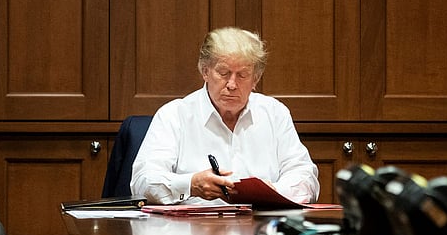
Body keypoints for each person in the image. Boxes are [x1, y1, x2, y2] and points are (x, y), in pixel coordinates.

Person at [130, 26, 320, 205]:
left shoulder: (274, 113)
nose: (231, 84)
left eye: (242, 75)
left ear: (256, 79)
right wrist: (191, 184)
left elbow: (306, 177)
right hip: (192, 233)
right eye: (223, 73)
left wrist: (273, 191)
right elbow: (143, 181)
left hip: (258, 229)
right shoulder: (174, 115)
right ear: (205, 71)